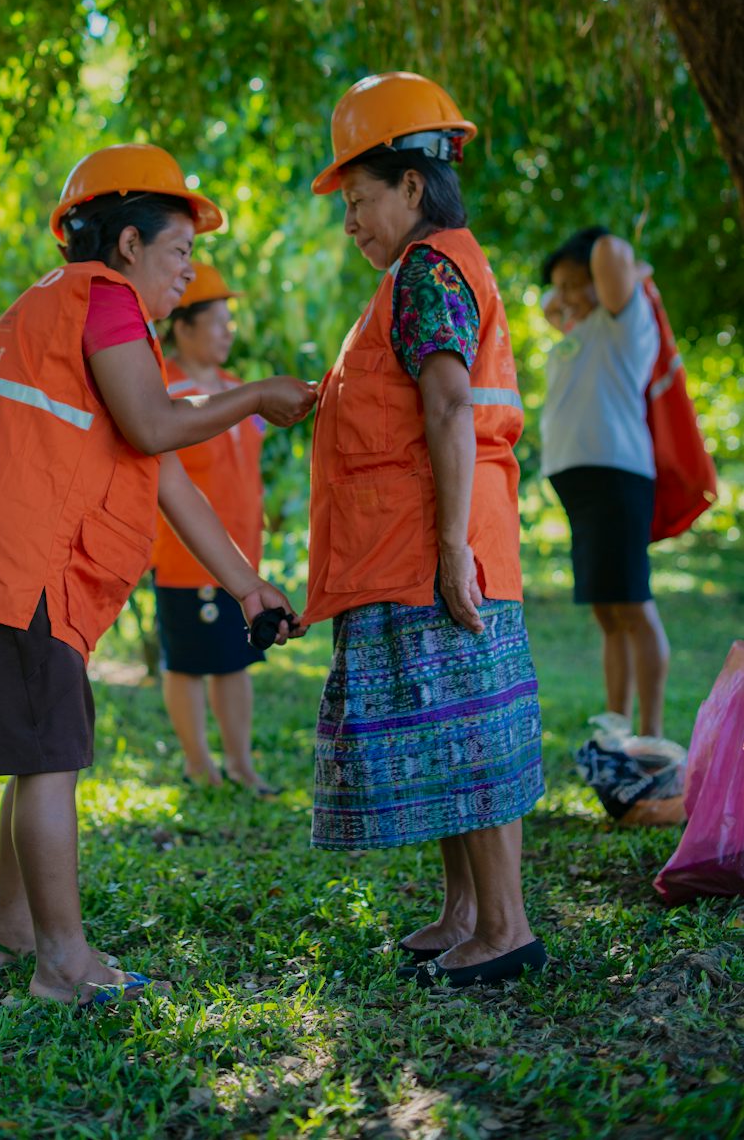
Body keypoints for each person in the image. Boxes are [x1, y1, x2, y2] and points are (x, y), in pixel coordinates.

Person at [0, 143, 317, 1006]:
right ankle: (64, 964)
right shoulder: (105, 301)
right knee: (52, 756)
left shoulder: (71, 314)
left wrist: (247, 585)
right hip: (18, 567)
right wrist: (256, 395)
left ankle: (9, 939)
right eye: (179, 253)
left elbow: (160, 467)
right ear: (128, 244)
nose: (189, 274)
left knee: (37, 753)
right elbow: (159, 426)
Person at [303, 72, 545, 989]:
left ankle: (505, 926)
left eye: (359, 200)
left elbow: (447, 406)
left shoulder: (427, 271)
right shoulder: (432, 266)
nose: (352, 221)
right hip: (434, 540)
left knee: (470, 734)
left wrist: (450, 550)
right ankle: (465, 914)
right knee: (454, 734)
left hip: (440, 545)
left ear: (412, 184)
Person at [540, 225, 671, 738]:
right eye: (562, 286)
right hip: (583, 488)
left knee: (634, 606)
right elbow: (552, 302)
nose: (567, 296)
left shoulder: (625, 322)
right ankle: (617, 726)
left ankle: (652, 736)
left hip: (618, 479)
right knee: (607, 612)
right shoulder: (577, 331)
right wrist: (570, 292)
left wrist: (633, 272)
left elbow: (613, 252)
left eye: (578, 282)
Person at [152, 263, 276, 793]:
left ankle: (241, 765)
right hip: (185, 560)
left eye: (231, 321)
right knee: (187, 663)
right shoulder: (158, 389)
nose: (229, 332)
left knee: (235, 661)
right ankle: (198, 765)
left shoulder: (237, 391)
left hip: (242, 560)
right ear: (183, 326)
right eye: (218, 321)